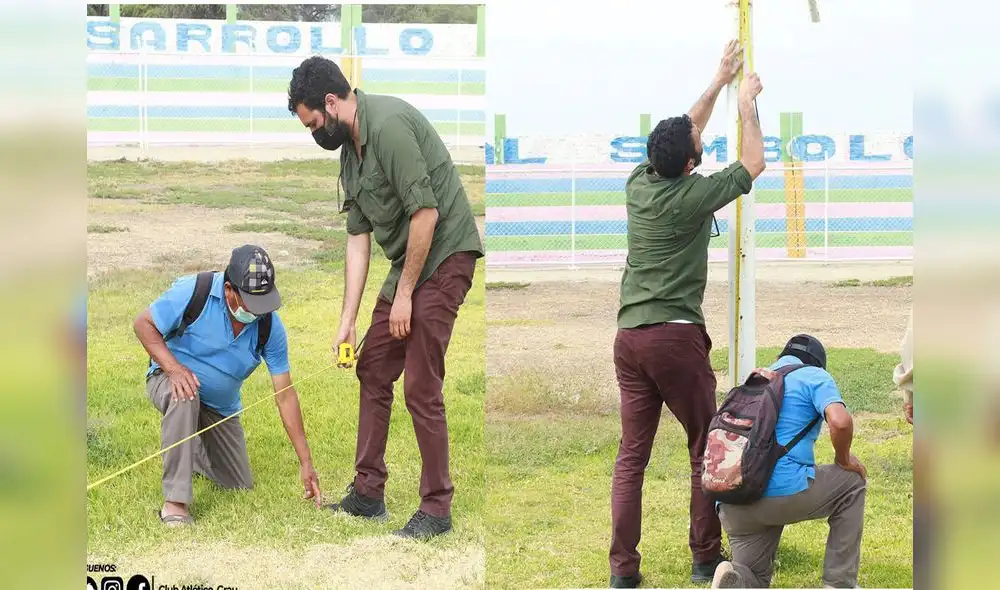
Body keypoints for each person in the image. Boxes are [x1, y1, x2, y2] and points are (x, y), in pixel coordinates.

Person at [287, 56, 484, 539]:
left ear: (331, 103)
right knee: (373, 366)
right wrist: (347, 320)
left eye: (313, 123)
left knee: (420, 385)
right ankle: (368, 493)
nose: (314, 134)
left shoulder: (390, 126)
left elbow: (426, 214)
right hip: (411, 263)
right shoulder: (349, 152)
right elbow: (358, 239)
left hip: (446, 254)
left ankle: (436, 509)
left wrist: (406, 296)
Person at [608, 40, 766, 588]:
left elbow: (685, 129)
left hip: (629, 338)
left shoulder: (638, 183)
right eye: (698, 142)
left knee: (632, 457)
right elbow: (753, 162)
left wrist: (718, 79)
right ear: (692, 165)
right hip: (674, 339)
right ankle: (704, 557)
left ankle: (623, 570)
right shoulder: (694, 195)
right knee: (705, 444)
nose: (700, 132)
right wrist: (745, 105)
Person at [133, 245, 322, 526]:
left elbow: (285, 396)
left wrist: (306, 461)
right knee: (185, 395)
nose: (258, 312)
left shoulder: (270, 327)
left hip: (220, 407)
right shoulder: (194, 291)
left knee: (238, 482)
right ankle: (175, 504)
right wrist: (174, 369)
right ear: (229, 290)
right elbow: (143, 324)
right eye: (251, 303)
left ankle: (189, 450)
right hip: (170, 380)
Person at [712, 335, 868, 589]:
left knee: (755, 579)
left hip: (732, 500)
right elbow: (840, 422)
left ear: (781, 357)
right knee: (852, 482)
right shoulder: (814, 376)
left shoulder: (754, 379)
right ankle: (840, 584)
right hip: (780, 493)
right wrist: (843, 458)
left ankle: (734, 576)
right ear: (817, 363)